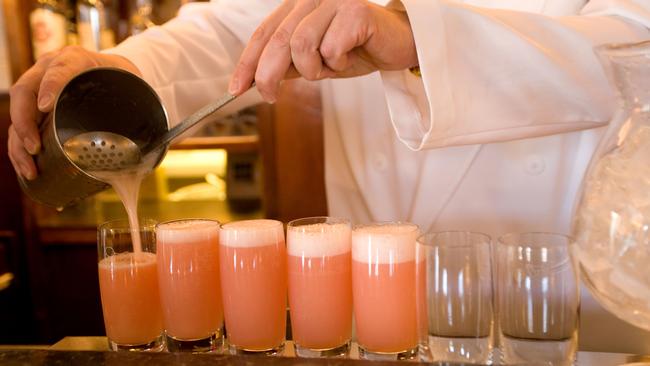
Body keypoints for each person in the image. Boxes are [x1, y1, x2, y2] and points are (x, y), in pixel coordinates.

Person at [7, 0, 650, 354]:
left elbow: (636, 40)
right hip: (367, 306)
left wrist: (421, 38)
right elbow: (238, 28)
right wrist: (114, 69)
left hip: (562, 319)